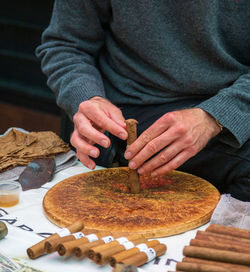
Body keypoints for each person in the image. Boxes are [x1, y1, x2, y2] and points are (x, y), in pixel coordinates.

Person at [36, 0, 250, 201]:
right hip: (124, 108)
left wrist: (217, 116)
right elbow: (66, 44)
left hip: (232, 106)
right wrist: (87, 97)